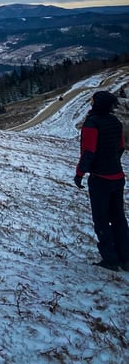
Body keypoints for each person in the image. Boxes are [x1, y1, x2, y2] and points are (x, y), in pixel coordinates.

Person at [75, 89, 129, 271]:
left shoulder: (92, 124)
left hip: (100, 179)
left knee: (101, 219)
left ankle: (110, 259)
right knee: (119, 218)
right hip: (118, 176)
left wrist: (80, 173)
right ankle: (126, 257)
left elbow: (88, 152)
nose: (90, 101)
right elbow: (120, 148)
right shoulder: (115, 122)